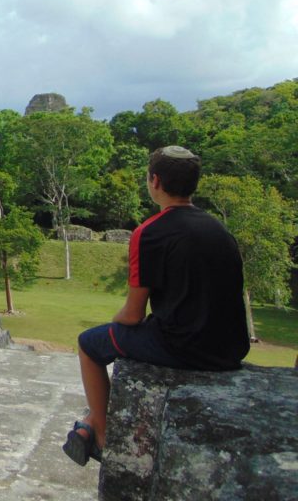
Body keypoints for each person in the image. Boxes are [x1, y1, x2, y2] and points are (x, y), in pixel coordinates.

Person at [62, 145, 250, 466]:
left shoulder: (149, 232)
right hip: (230, 348)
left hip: (182, 346)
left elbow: (133, 314)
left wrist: (116, 320)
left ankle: (100, 431)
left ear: (155, 182)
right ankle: (91, 423)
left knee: (89, 344)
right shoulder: (219, 230)